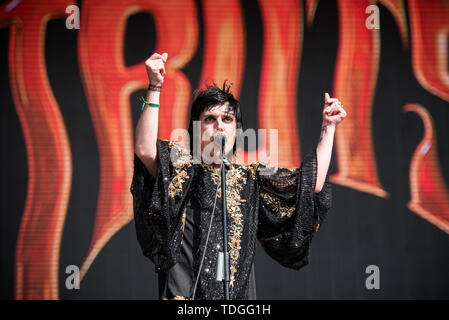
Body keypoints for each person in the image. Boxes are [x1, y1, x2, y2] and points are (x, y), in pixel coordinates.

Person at [130, 52, 346, 300]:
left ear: (236, 130)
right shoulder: (179, 168)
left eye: (227, 119)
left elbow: (311, 184)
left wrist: (328, 128)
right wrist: (155, 87)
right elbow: (146, 150)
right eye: (210, 119)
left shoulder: (251, 178)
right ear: (196, 128)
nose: (219, 125)